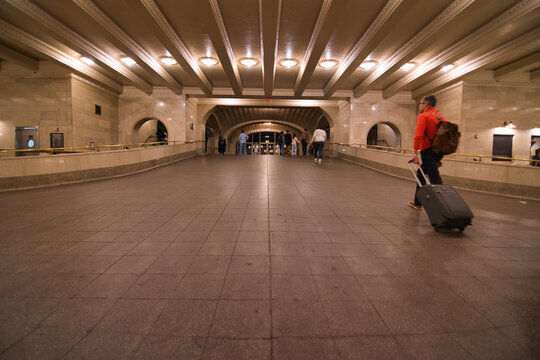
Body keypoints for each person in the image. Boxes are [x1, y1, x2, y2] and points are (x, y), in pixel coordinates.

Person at [409, 95, 447, 210]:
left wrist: (415, 154)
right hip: (438, 152)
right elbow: (445, 139)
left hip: (427, 151)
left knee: (435, 179)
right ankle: (418, 202)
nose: (420, 106)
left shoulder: (424, 116)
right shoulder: (442, 117)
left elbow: (418, 136)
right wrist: (439, 158)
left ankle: (445, 206)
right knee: (421, 175)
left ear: (426, 104)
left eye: (421, 104)